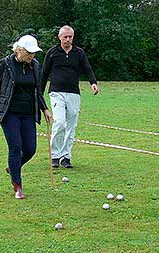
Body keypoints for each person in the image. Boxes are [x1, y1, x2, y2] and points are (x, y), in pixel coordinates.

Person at [0, 35, 52, 199]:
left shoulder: (35, 66)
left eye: (34, 53)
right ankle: (17, 185)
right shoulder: (6, 64)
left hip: (28, 113)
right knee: (16, 147)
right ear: (19, 50)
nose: (32, 56)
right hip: (9, 112)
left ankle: (13, 167)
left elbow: (37, 90)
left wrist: (45, 109)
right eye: (29, 52)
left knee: (30, 149)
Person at [41, 25, 99, 169]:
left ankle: (66, 156)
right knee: (60, 123)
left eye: (70, 37)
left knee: (71, 126)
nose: (68, 39)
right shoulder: (52, 53)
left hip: (74, 93)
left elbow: (87, 68)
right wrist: (39, 94)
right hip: (56, 92)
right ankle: (55, 155)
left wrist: (93, 83)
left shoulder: (79, 53)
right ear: (59, 37)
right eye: (65, 37)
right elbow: (44, 73)